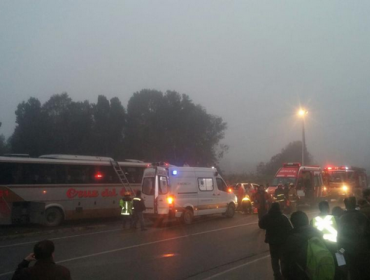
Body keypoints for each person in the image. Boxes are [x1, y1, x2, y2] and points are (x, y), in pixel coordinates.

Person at [282, 211, 323, 280]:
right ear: (307, 221)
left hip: (300, 275)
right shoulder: (319, 234)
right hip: (320, 272)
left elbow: (286, 263)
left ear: (293, 224)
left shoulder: (291, 239)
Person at [338, 196, 370, 280]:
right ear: (355, 204)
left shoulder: (341, 218)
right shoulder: (362, 216)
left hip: (347, 251)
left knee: (352, 272)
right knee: (364, 272)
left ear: (345, 205)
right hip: (363, 249)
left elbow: (339, 239)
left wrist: (340, 252)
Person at [259, 203, 292, 280]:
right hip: (282, 242)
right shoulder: (283, 218)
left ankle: (277, 275)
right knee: (283, 259)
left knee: (274, 259)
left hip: (272, 242)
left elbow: (261, 225)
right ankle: (284, 274)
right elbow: (290, 229)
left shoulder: (267, 217)